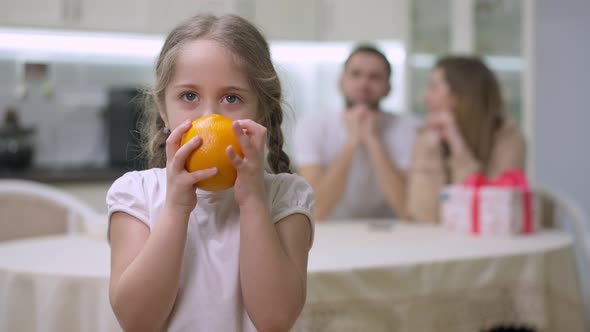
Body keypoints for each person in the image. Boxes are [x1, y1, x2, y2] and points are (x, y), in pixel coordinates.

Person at [106, 14, 314, 332]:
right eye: (189, 96)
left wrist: (253, 201)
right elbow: (137, 321)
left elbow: (275, 320)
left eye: (231, 98)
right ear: (164, 110)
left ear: (261, 111)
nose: (208, 117)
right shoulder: (137, 194)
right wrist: (176, 207)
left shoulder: (287, 198)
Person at [293, 45, 420, 221]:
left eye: (374, 77)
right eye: (356, 74)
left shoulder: (408, 128)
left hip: (392, 230)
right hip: (332, 231)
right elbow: (317, 209)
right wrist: (352, 142)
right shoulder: (312, 126)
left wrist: (373, 140)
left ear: (388, 88)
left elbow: (408, 210)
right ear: (341, 82)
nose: (364, 84)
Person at [406, 56, 526, 222]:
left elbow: (490, 212)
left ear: (459, 95)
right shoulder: (427, 136)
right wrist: (430, 152)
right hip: (441, 242)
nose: (425, 97)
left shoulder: (508, 136)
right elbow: (424, 215)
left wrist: (458, 147)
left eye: (433, 87)